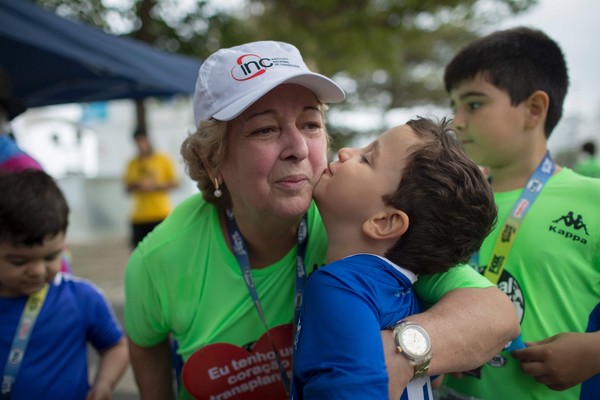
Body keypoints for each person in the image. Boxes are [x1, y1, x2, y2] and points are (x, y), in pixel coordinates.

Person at [124, 40, 518, 400]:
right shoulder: (159, 259)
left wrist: (401, 355)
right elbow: (145, 344)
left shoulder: (354, 220)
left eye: (311, 124)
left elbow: (497, 315)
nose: (297, 147)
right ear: (212, 160)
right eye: (265, 129)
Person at [441, 26, 600, 400]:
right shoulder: (449, 202)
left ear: (534, 109)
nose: (458, 121)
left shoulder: (592, 200)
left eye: (474, 104)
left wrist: (594, 352)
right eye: (454, 107)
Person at [292, 117, 498, 399]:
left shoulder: (339, 286)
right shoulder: (414, 299)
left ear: (385, 222)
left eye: (366, 159)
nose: (345, 151)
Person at [0, 169, 129, 399]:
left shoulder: (82, 298)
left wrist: (104, 383)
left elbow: (117, 347)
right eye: (19, 261)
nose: (38, 270)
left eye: (51, 257)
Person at [122, 128, 179, 248]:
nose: (141, 146)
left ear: (148, 140)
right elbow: (127, 187)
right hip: (139, 216)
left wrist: (155, 186)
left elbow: (175, 183)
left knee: (163, 248)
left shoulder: (163, 159)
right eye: (138, 143)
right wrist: (139, 185)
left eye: (142, 141)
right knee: (137, 251)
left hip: (160, 213)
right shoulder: (132, 163)